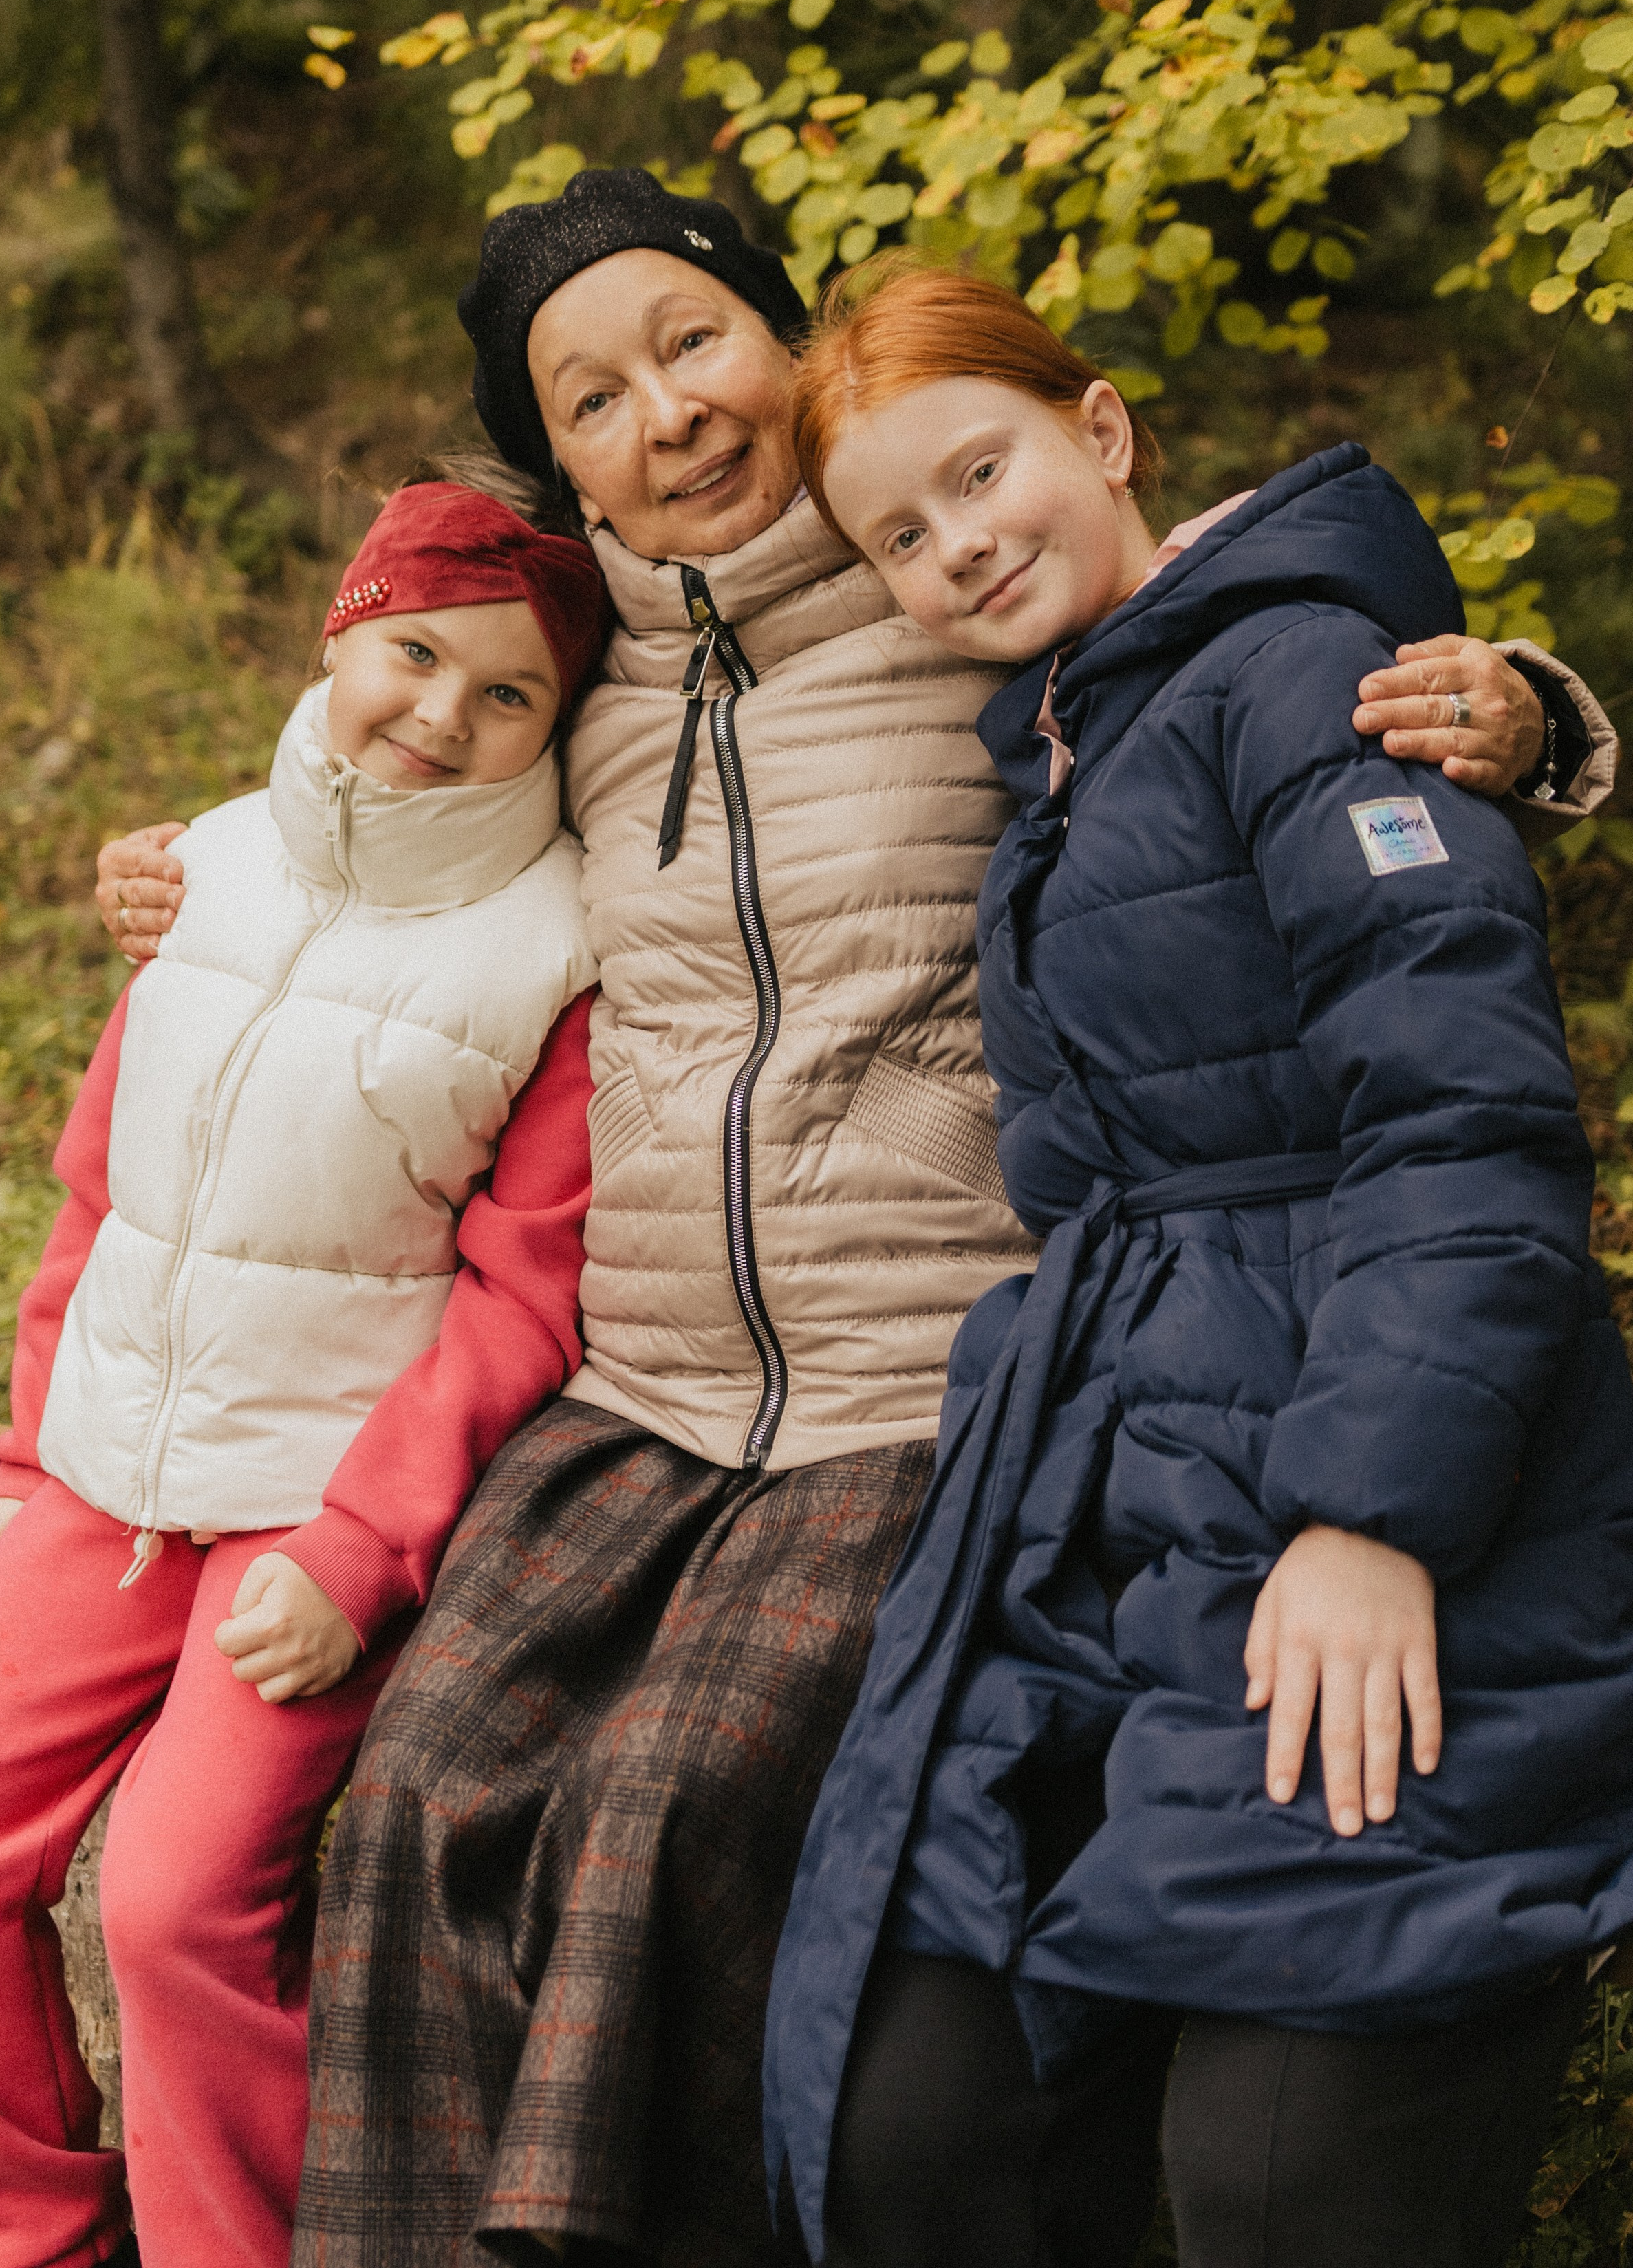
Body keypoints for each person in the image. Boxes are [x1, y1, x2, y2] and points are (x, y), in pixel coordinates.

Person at [89, 172, 1614, 2268]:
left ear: (783, 343)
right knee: (431, 1786)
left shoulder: (938, 617)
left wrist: (1516, 715)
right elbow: (381, 800)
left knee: (672, 1816)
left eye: (692, 340)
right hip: (655, 1379)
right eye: (594, 395)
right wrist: (192, 870)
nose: (669, 413)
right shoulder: (587, 679)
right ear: (563, 462)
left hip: (920, 1377)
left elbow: (1239, 653)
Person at [762, 259, 1633, 2268]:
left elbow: (1460, 1114)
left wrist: (1372, 1517)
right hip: (1122, 1472)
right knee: (908, 2105)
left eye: (980, 473)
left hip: (1385, 1448)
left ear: (1103, 428)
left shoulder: (1309, 679)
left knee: (1282, 2174)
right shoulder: (1057, 764)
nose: (959, 543)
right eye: (901, 534)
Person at [0, 473, 607, 2268]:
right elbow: (106, 1188)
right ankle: (12, 2230)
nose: (442, 718)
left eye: (507, 695)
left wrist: (356, 1553)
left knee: (168, 1901)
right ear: (344, 627)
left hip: (307, 1521)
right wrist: (20, 1467)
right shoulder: (207, 864)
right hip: (100, 1482)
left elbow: (521, 1304)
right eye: (415, 654)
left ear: (558, 724)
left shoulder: (558, 953)